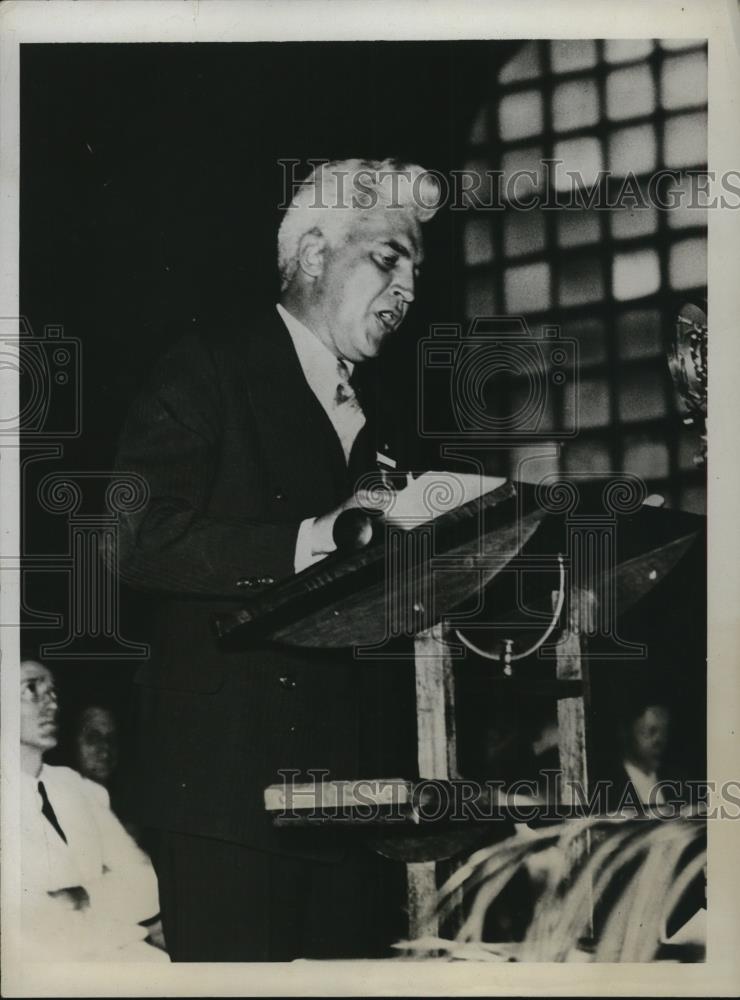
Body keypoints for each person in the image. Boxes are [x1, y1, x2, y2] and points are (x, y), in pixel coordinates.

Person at [112, 159, 441, 960]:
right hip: (230, 800)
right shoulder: (209, 368)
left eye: (416, 274)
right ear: (316, 251)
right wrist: (314, 536)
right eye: (389, 259)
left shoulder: (384, 418)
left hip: (354, 806)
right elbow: (131, 538)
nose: (405, 292)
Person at [19, 658, 168, 962]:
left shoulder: (78, 788)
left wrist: (83, 896)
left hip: (123, 960)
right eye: (32, 688)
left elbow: (147, 883)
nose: (50, 703)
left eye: (53, 692)